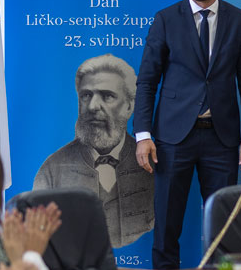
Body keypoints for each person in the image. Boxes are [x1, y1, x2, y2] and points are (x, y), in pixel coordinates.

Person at [134, 0, 241, 270]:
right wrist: (143, 135)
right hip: (172, 138)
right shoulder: (166, 20)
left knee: (224, 228)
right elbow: (147, 81)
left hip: (222, 139)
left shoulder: (240, 21)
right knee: (166, 225)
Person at [33, 54, 154, 248]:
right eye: (86, 96)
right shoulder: (52, 170)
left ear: (129, 106)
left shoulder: (151, 165)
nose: (93, 106)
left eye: (107, 96)